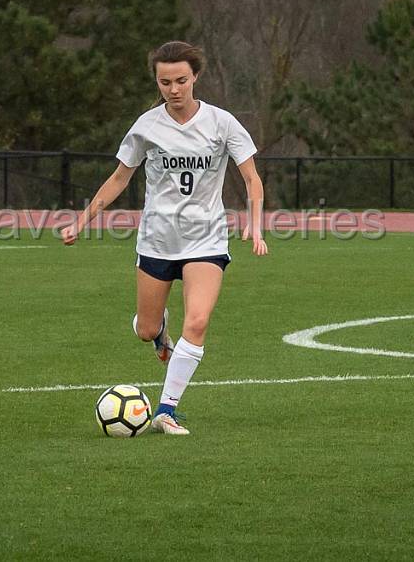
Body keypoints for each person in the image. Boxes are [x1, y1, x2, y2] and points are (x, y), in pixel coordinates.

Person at [62, 40, 268, 436]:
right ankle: (158, 333)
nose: (174, 89)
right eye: (165, 82)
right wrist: (82, 221)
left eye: (181, 80)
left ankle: (167, 410)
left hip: (206, 240)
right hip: (157, 240)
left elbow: (251, 178)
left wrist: (254, 224)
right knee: (145, 327)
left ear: (196, 78)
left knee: (199, 320)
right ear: (157, 82)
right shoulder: (146, 126)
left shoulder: (222, 123)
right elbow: (120, 177)